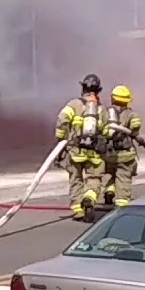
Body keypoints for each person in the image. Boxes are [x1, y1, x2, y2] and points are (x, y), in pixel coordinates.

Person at [55, 73, 106, 220]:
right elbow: (106, 130)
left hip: (75, 150)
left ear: (83, 88)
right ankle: (89, 198)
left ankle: (78, 210)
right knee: (94, 178)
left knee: (75, 178)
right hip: (94, 153)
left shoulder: (74, 104)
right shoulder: (101, 109)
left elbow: (62, 120)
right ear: (98, 91)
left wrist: (61, 138)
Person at [101, 85, 145, 207]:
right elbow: (135, 127)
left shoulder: (105, 112)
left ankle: (109, 191)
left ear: (112, 98)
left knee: (110, 173)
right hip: (125, 154)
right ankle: (122, 203)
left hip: (108, 153)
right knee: (123, 177)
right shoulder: (130, 114)